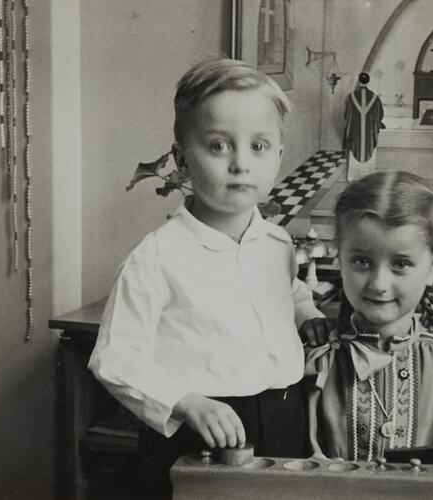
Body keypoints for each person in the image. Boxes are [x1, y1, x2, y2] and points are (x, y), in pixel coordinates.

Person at [88, 57, 332, 497]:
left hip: (284, 417)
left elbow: (286, 290)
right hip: (200, 430)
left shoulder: (276, 244)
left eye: (258, 146)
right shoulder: (157, 257)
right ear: (182, 158)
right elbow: (115, 357)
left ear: (278, 156)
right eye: (219, 146)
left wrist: (304, 309)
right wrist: (184, 402)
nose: (240, 163)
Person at [304, 171, 433, 464]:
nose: (379, 283)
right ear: (339, 259)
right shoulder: (318, 360)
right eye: (362, 261)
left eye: (401, 264)